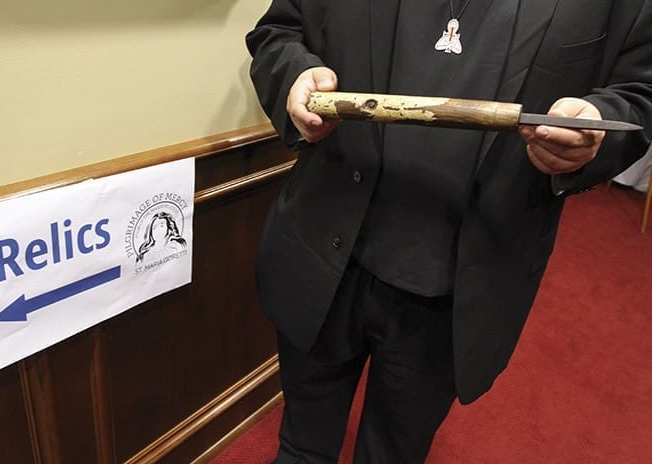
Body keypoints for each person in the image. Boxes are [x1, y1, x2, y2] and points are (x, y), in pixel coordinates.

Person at [245, 1, 652, 462]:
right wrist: (295, 76)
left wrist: (597, 127)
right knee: (300, 448)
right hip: (321, 251)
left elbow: (639, 93)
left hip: (458, 290)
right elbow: (279, 30)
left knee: (395, 452)